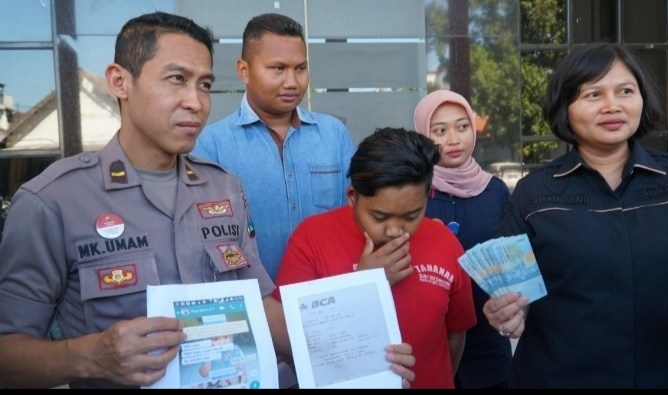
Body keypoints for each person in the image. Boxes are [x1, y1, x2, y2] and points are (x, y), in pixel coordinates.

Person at [0, 12, 415, 389]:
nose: (196, 102)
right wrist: (92, 356)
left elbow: (261, 304)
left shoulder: (224, 189)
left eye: (205, 85)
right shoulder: (52, 201)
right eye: (176, 79)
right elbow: (8, 356)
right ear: (120, 81)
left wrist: (357, 354)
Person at [483, 42, 668, 388]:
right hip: (557, 377)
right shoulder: (534, 194)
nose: (613, 106)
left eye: (625, 91)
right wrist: (505, 312)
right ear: (565, 107)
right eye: (593, 95)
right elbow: (510, 294)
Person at [272, 127, 477, 389]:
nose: (395, 231)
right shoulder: (311, 239)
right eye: (379, 217)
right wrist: (364, 286)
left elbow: (455, 336)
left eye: (411, 216)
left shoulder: (445, 242)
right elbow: (291, 339)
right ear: (352, 198)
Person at [191, 13, 355, 281]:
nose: (292, 82)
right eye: (278, 69)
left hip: (328, 300)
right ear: (244, 70)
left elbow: (356, 217)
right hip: (252, 305)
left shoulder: (334, 135)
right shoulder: (210, 145)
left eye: (300, 68)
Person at [413, 89, 512, 389]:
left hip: (487, 335)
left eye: (462, 126)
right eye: (440, 130)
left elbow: (509, 256)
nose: (454, 139)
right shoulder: (414, 191)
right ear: (422, 135)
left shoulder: (495, 190)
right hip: (431, 335)